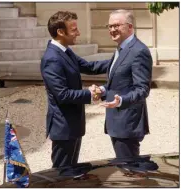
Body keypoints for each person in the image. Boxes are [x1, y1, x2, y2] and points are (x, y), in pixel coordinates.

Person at [40, 11, 109, 168]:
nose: (78, 33)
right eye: (74, 30)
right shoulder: (52, 58)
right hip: (63, 127)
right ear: (60, 32)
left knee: (70, 172)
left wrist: (118, 60)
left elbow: (89, 67)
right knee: (62, 175)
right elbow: (62, 95)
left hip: (72, 125)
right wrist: (90, 94)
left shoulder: (64, 50)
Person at [93, 9, 153, 161]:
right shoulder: (121, 48)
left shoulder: (139, 51)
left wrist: (121, 100)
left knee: (129, 172)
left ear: (130, 27)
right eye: (110, 26)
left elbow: (142, 89)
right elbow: (118, 81)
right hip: (118, 122)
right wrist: (103, 89)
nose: (112, 29)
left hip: (128, 123)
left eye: (117, 25)